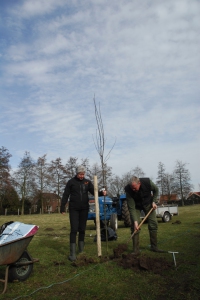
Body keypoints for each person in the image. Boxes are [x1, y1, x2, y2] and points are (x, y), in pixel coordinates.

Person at [60, 165, 106, 261]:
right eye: (80, 174)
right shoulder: (71, 182)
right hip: (74, 209)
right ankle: (72, 254)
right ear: (77, 173)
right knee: (74, 229)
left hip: (84, 209)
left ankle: (81, 251)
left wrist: (102, 193)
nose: (81, 176)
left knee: (82, 229)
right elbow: (65, 195)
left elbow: (94, 192)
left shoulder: (87, 182)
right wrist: (62, 207)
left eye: (83, 174)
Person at [125, 176, 165, 254]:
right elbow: (131, 208)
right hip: (136, 207)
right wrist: (136, 221)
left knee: (153, 223)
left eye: (135, 188)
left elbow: (156, 190)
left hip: (148, 204)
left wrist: (153, 201)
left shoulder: (147, 182)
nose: (133, 190)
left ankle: (154, 247)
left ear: (139, 183)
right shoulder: (128, 190)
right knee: (134, 226)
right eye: (132, 188)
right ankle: (136, 250)